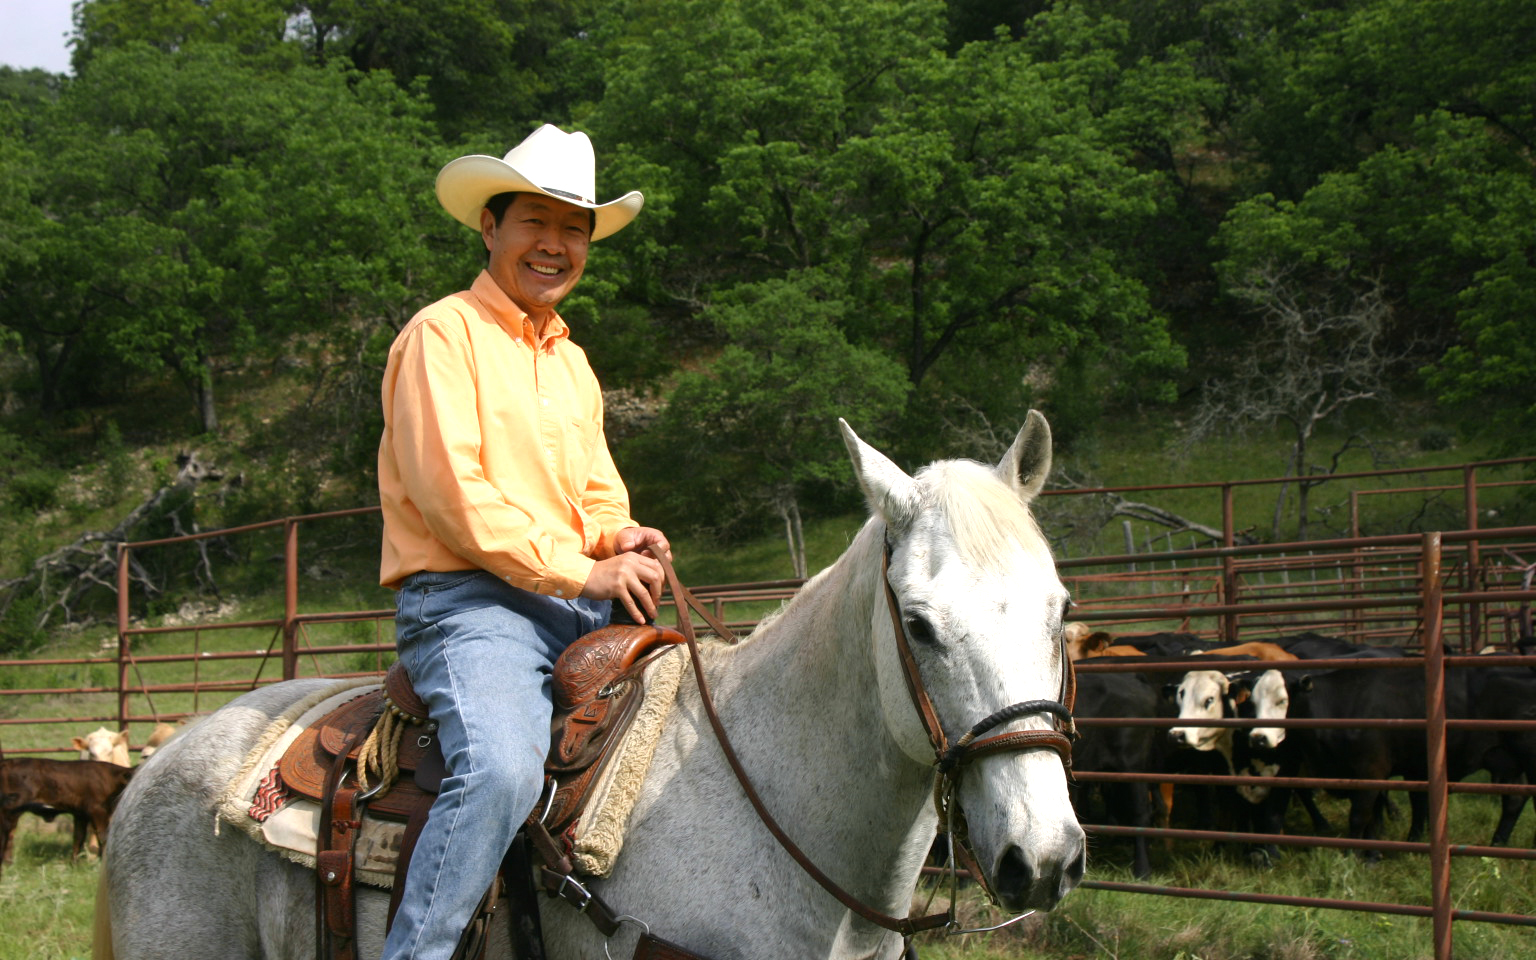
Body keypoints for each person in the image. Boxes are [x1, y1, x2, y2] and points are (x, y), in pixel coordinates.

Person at [376, 123, 670, 960]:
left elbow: (595, 485)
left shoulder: (572, 363)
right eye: (535, 222)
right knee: (503, 767)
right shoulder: (443, 335)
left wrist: (623, 532)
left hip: (575, 595)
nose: (555, 245)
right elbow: (454, 499)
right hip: (469, 602)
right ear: (490, 228)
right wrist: (584, 566)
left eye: (573, 227)